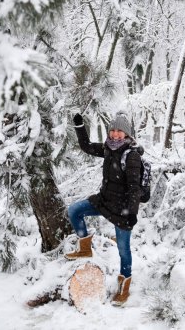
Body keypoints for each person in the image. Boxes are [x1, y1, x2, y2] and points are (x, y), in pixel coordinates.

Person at [65, 111, 142, 305]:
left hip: (122, 210)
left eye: (120, 131)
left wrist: (132, 213)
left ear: (127, 134)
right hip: (104, 201)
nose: (115, 134)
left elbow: (135, 188)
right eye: (113, 130)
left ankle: (124, 287)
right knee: (74, 210)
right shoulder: (108, 148)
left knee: (123, 251)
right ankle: (84, 247)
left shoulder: (131, 156)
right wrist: (80, 126)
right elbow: (87, 146)